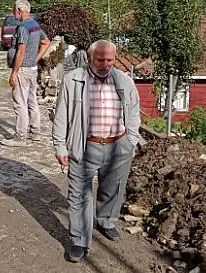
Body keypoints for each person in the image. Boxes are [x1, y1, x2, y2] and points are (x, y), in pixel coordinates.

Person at [52, 40, 145, 263]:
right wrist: (60, 146)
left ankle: (106, 221)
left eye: (109, 60)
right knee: (78, 194)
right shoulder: (73, 80)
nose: (105, 64)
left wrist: (130, 141)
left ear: (115, 58)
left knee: (113, 188)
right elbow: (61, 115)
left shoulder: (124, 81)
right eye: (100, 59)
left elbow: (133, 113)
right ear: (90, 58)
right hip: (84, 146)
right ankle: (79, 241)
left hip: (118, 145)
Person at [2, 0, 50, 147]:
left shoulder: (23, 27)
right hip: (32, 69)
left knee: (20, 103)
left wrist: (14, 72)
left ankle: (20, 136)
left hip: (23, 69)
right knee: (31, 101)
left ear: (19, 10)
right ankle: (35, 133)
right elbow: (46, 42)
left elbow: (21, 50)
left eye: (13, 10)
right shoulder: (35, 25)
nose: (13, 13)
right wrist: (35, 59)